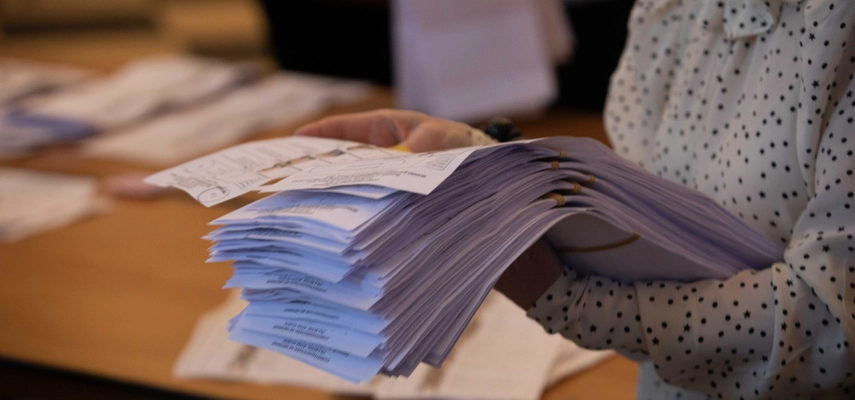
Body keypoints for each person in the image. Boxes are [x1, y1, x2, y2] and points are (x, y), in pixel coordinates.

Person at [294, 1, 855, 398]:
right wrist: (478, 155)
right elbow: (646, 211)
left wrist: (569, 302)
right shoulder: (673, 10)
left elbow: (830, 330)